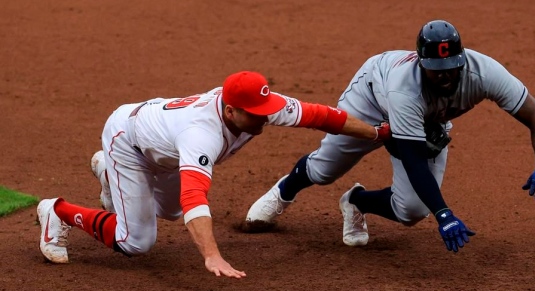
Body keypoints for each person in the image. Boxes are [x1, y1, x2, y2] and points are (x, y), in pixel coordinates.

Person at [37, 71, 391, 278]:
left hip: (161, 144)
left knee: (171, 210)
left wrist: (377, 133)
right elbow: (195, 196)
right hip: (128, 143)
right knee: (137, 242)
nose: (264, 118)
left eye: (266, 110)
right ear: (230, 109)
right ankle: (57, 211)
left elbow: (325, 117)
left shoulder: (259, 106)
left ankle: (109, 176)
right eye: (255, 114)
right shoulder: (201, 135)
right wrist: (211, 254)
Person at [245, 20, 535, 253]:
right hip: (371, 100)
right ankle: (283, 191)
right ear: (421, 62)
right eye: (437, 69)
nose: (445, 75)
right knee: (326, 170)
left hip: (424, 118)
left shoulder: (485, 72)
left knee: (412, 211)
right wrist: (445, 214)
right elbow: (411, 157)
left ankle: (356, 201)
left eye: (451, 67)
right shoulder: (404, 87)